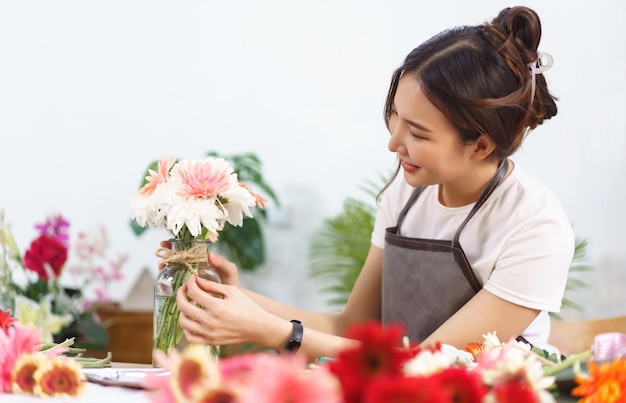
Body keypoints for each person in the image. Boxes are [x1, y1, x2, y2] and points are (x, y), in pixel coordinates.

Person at [175, 5, 575, 360]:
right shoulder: (406, 192)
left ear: (481, 144)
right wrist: (238, 301)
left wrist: (273, 332)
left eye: (418, 134)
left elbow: (429, 364)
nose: (393, 143)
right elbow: (352, 327)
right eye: (395, 116)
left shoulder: (535, 227)